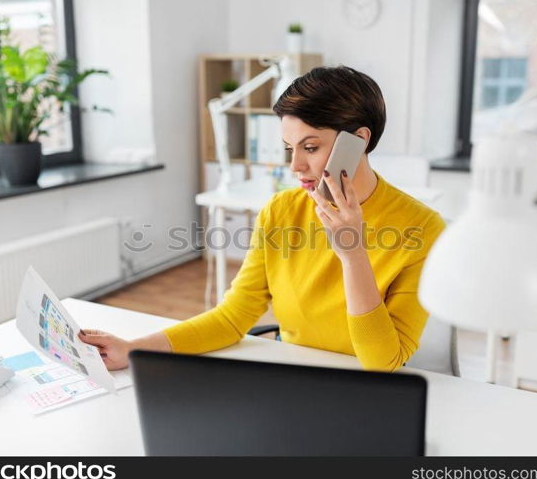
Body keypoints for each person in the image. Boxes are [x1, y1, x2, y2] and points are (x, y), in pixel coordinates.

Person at [79, 65, 446, 372]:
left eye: (311, 147)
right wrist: (133, 349)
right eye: (290, 148)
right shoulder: (282, 211)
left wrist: (353, 255)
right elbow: (232, 318)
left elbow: (381, 362)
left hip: (369, 393)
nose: (295, 166)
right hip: (293, 379)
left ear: (359, 140)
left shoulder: (423, 228)